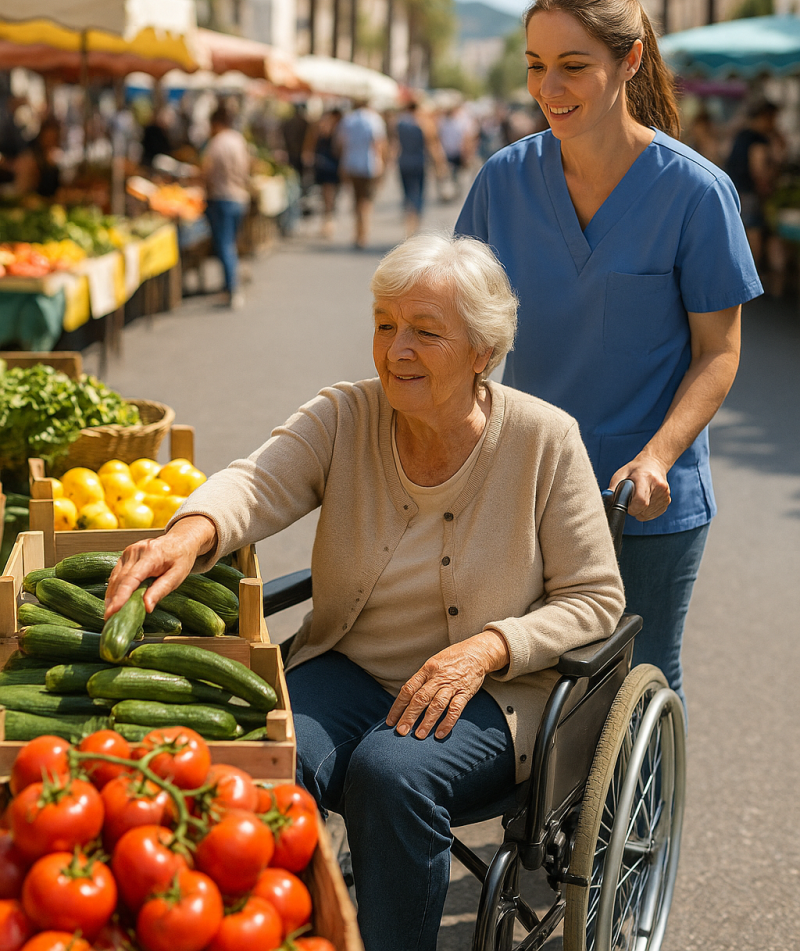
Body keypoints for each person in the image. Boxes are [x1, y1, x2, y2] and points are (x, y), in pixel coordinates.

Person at [104, 233, 624, 951]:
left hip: (491, 694)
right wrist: (186, 534)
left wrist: (490, 646)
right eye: (385, 324)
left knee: (391, 774)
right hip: (353, 665)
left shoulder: (544, 441)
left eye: (425, 332)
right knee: (268, 754)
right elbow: (256, 481)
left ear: (484, 352)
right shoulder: (345, 415)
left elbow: (596, 597)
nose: (395, 350)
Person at [456, 0, 763, 711]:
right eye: (535, 65)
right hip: (531, 489)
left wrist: (657, 456)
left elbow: (719, 352)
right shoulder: (504, 181)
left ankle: (646, 834)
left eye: (573, 66)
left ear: (628, 63)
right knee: (533, 690)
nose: (548, 87)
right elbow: (466, 329)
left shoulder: (695, 192)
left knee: (640, 685)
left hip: (649, 501)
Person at [725, 99, 787, 297]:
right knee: (754, 235)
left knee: (740, 235)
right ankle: (748, 282)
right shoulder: (758, 139)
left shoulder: (742, 134)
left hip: (735, 190)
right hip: (750, 193)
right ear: (766, 117)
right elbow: (758, 169)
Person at [201, 105, 251, 310]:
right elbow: (248, 166)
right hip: (240, 197)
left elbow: (207, 171)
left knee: (224, 245)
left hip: (222, 198)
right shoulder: (239, 140)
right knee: (230, 242)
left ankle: (232, 288)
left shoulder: (217, 143)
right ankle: (229, 286)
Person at [336, 98, 387, 249]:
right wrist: (382, 164)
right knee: (366, 200)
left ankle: (358, 232)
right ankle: (363, 233)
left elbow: (340, 143)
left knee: (356, 198)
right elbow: (379, 142)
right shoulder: (374, 119)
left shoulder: (348, 119)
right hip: (369, 164)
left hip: (351, 163)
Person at [392, 100, 445, 237]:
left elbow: (394, 143)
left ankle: (408, 221)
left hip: (403, 161)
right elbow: (432, 146)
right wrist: (439, 165)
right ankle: (413, 225)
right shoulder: (424, 124)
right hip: (419, 163)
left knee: (407, 193)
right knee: (418, 194)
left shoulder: (400, 123)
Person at [13, 115, 63, 198]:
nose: (50, 141)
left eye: (54, 138)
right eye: (48, 137)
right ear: (41, 137)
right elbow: (22, 191)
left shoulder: (52, 157)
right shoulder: (30, 159)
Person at [312, 108, 343, 239]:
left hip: (328, 166)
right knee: (329, 196)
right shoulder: (335, 131)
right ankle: (328, 222)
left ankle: (328, 222)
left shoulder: (334, 131)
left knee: (328, 196)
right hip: (329, 166)